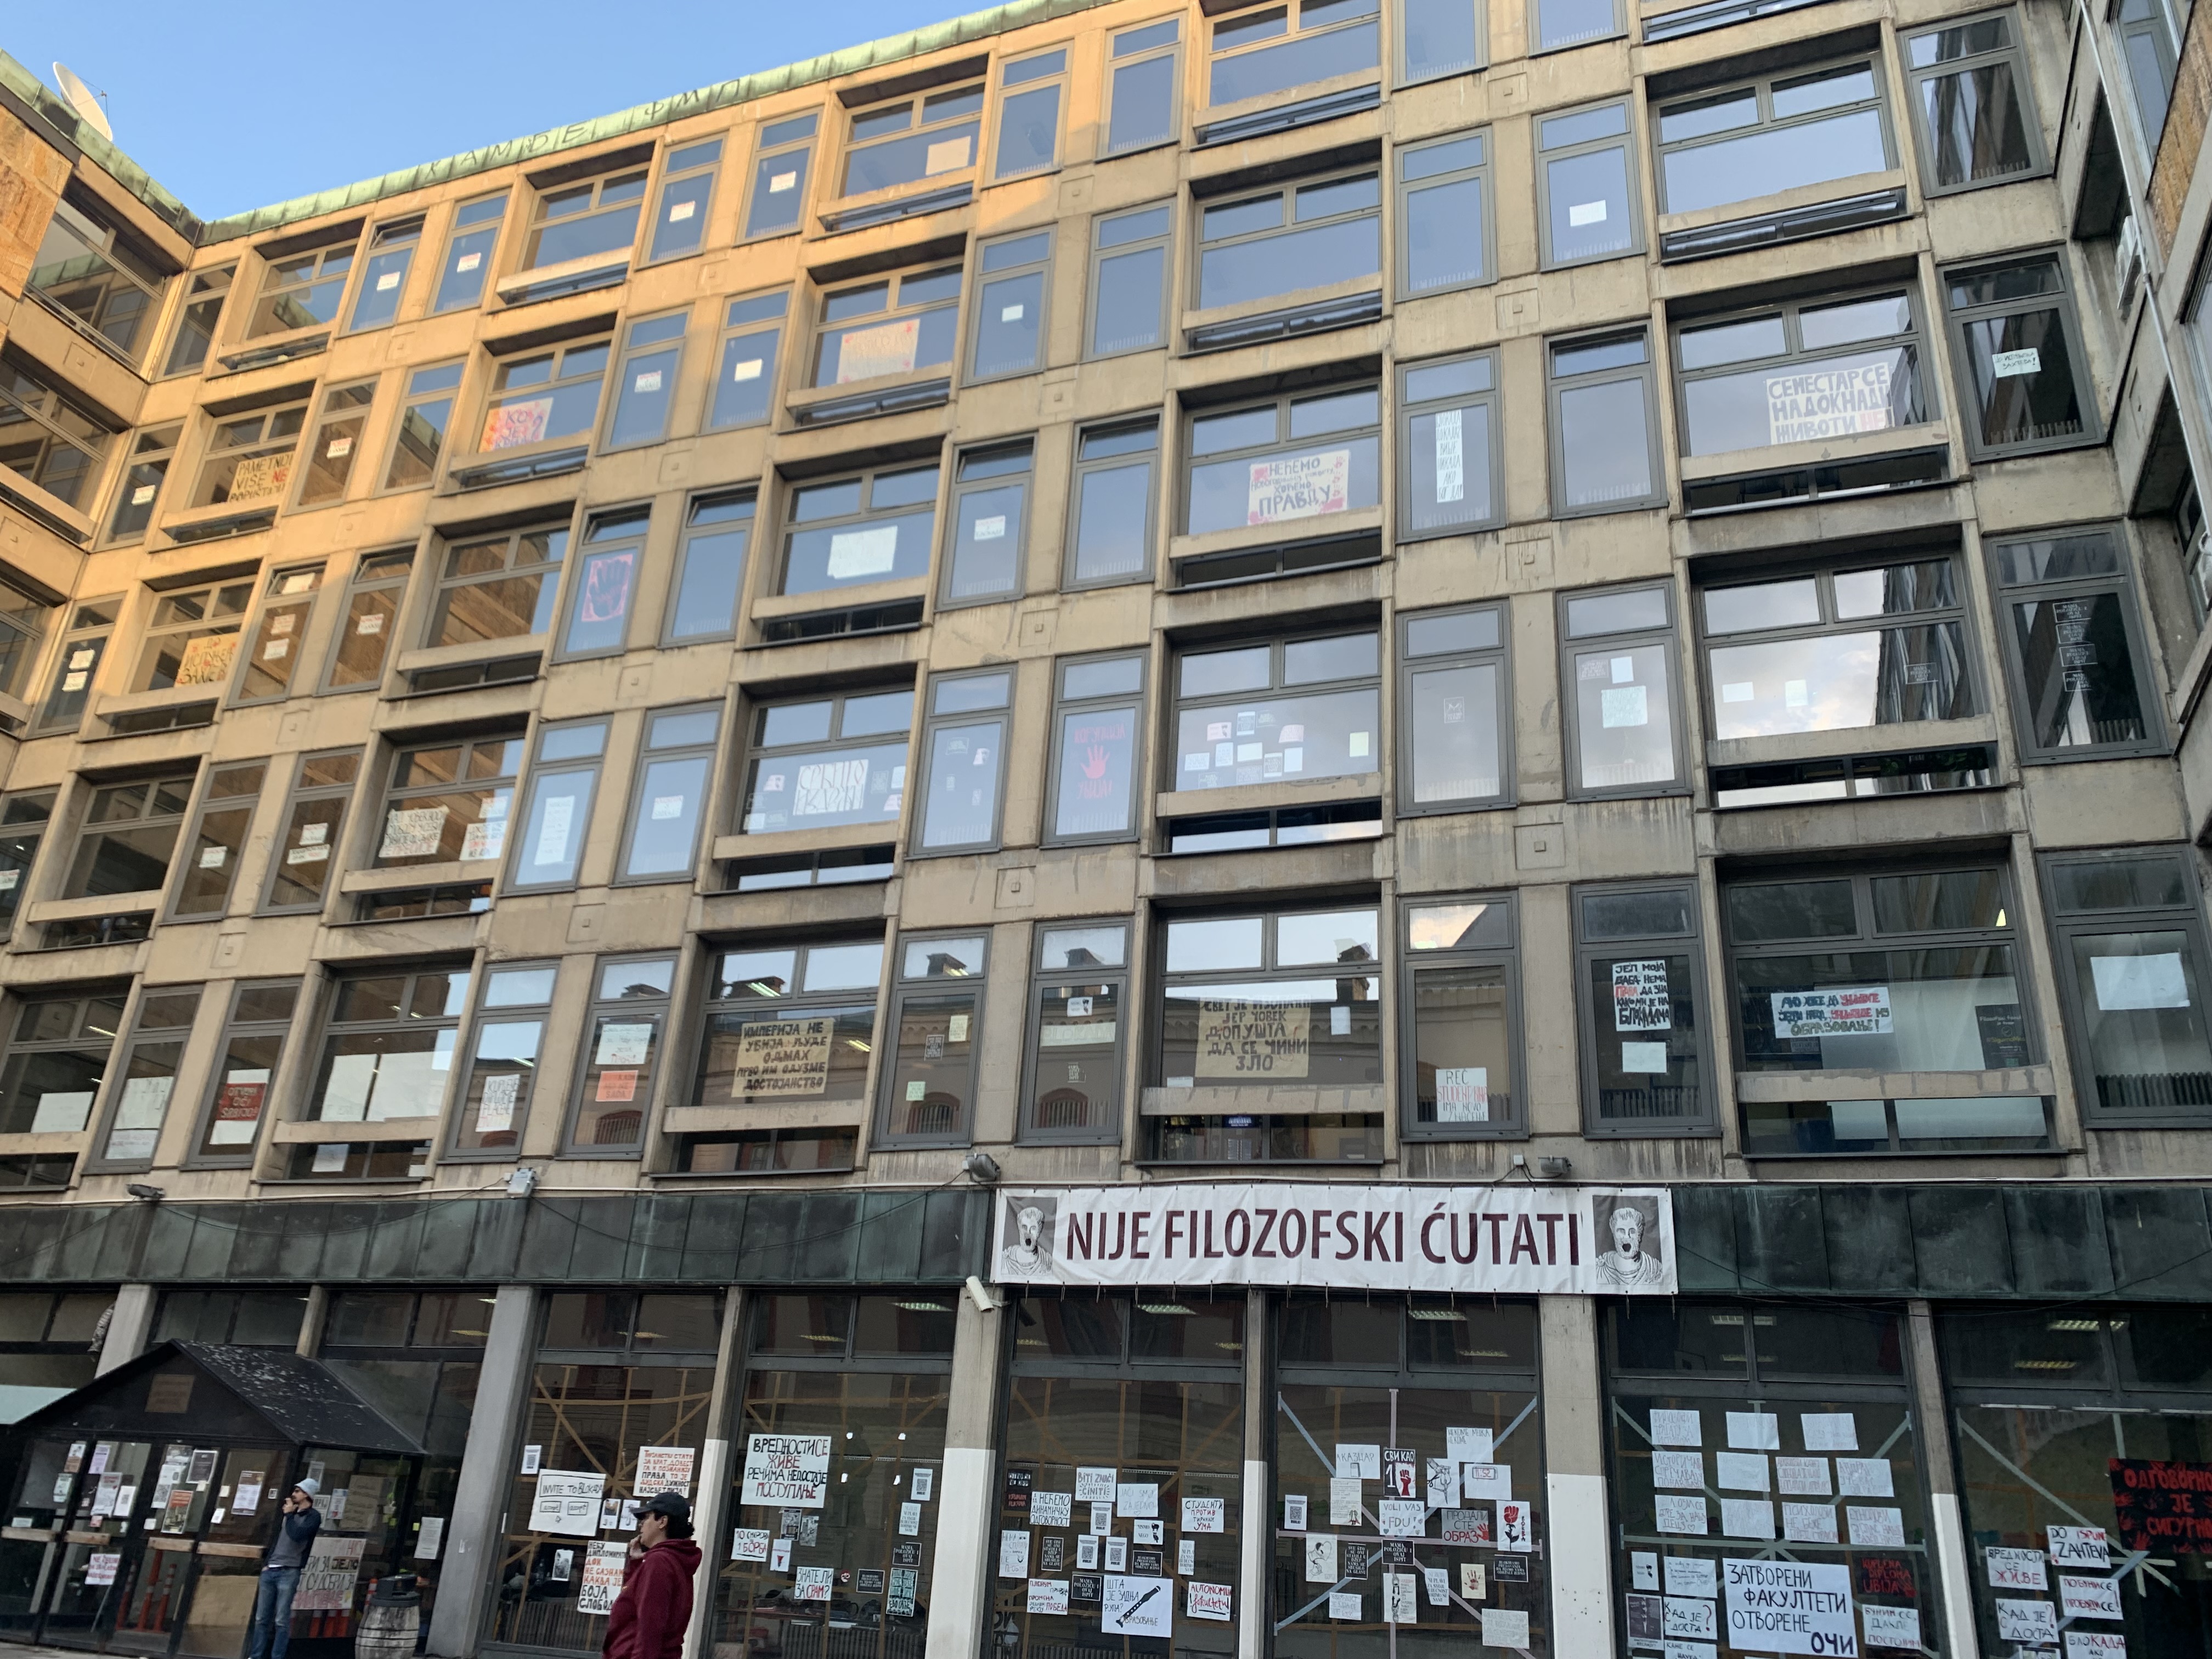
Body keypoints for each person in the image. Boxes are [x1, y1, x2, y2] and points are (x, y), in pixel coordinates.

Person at [603, 1491, 700, 1659]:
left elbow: (650, 1628)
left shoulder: (659, 1562)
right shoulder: (671, 1560)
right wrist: (636, 1563)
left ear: (662, 1522)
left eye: (647, 1517)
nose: (641, 1524)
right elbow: (635, 1602)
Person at [246, 1477, 321, 1659]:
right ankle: (255, 1656)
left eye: (298, 1491)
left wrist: (289, 1516)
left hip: (289, 1571)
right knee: (261, 1618)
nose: (294, 1494)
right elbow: (277, 1539)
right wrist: (266, 1564)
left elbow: (297, 1535)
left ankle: (277, 1656)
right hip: (271, 1569)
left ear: (307, 1495)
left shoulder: (313, 1517)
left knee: (281, 1619)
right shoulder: (290, 1514)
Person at [1595, 1205, 1666, 1289]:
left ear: (1639, 1235)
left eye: (1632, 1231)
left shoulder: (1654, 1269)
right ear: (1614, 1234)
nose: (1627, 1237)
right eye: (1621, 1231)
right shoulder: (1601, 1269)